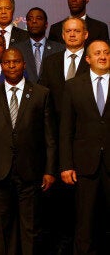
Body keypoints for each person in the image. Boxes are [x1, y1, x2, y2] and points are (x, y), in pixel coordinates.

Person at [0, 48, 57, 254]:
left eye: (16, 62)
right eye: (7, 63)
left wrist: (49, 170)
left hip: (31, 172)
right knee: (2, 228)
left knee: (30, 229)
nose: (11, 66)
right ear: (1, 66)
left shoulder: (41, 93)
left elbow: (49, 137)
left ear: (23, 64)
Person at [60, 40, 110, 254]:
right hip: (83, 166)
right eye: (97, 53)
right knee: (84, 225)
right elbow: (66, 129)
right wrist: (66, 165)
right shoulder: (73, 85)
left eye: (107, 53)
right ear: (88, 59)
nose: (103, 56)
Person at [39, 17, 90, 116]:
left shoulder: (92, 61)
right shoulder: (49, 62)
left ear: (86, 35)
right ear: (63, 35)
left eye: (77, 31)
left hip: (85, 123)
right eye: (68, 31)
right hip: (57, 123)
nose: (72, 35)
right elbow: (43, 94)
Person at [11, 7, 65, 83]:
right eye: (30, 19)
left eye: (39, 18)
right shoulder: (17, 50)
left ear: (46, 24)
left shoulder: (60, 49)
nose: (34, 21)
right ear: (26, 24)